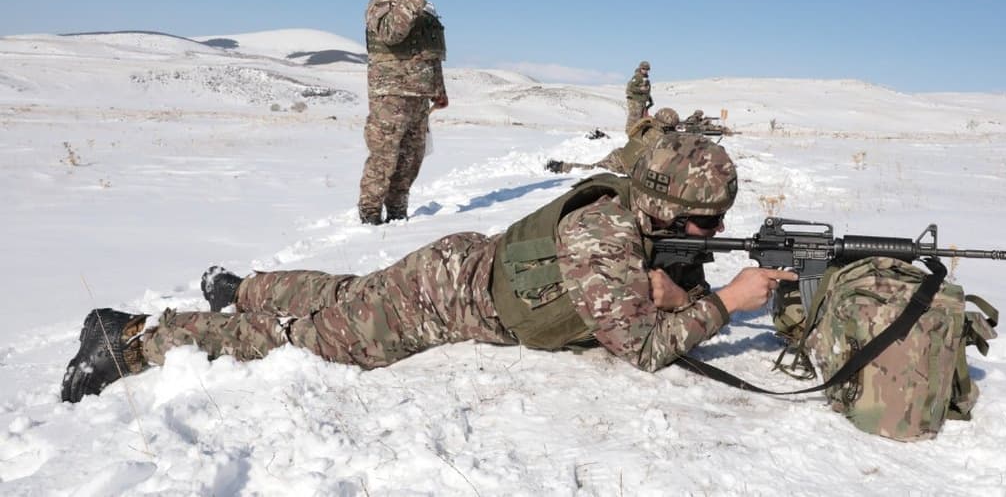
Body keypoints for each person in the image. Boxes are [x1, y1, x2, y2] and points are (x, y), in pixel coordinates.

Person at [61, 133, 798, 403]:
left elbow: (641, 289)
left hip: (455, 265)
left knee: (346, 293)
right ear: (664, 205)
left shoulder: (634, 219)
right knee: (306, 337)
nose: (715, 233)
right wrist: (727, 302)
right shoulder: (603, 237)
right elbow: (640, 349)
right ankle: (133, 339)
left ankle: (239, 285)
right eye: (705, 223)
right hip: (440, 302)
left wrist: (676, 286)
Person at [358, 0, 447, 225]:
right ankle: (369, 217)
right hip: (391, 94)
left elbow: (430, 52)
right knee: (384, 159)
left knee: (410, 160)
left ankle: (398, 216)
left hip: (418, 94)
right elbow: (389, 32)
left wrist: (438, 90)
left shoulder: (423, 4)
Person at [546, 107, 680, 175]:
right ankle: (561, 167)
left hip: (620, 154)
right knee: (591, 171)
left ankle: (561, 166)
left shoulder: (648, 126)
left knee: (593, 168)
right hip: (621, 164)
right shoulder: (660, 138)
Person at [625, 61, 653, 132]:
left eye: (647, 69)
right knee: (634, 117)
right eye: (644, 69)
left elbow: (646, 91)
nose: (645, 70)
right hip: (635, 101)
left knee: (640, 118)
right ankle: (629, 132)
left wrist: (649, 99)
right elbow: (632, 87)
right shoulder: (637, 77)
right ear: (640, 68)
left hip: (641, 101)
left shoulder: (645, 78)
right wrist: (640, 89)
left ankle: (635, 132)